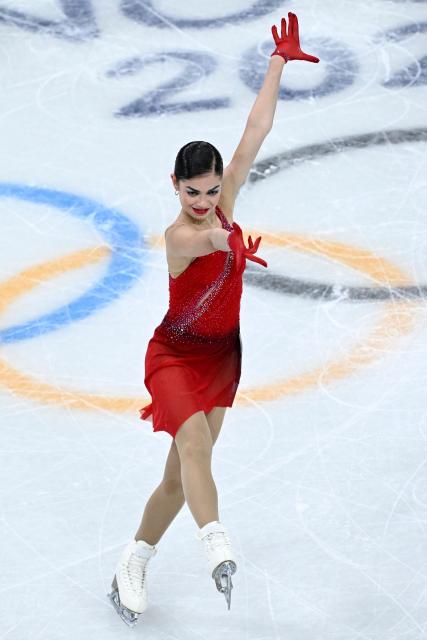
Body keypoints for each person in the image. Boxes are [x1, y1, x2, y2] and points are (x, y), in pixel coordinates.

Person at [108, 13, 319, 626]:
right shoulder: (182, 236)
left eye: (211, 192)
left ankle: (133, 558)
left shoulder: (223, 207)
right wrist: (229, 246)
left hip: (223, 356)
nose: (203, 204)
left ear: (219, 184)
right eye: (191, 192)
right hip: (174, 354)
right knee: (195, 445)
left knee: (178, 478)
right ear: (175, 187)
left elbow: (255, 130)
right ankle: (216, 545)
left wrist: (277, 61)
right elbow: (207, 247)